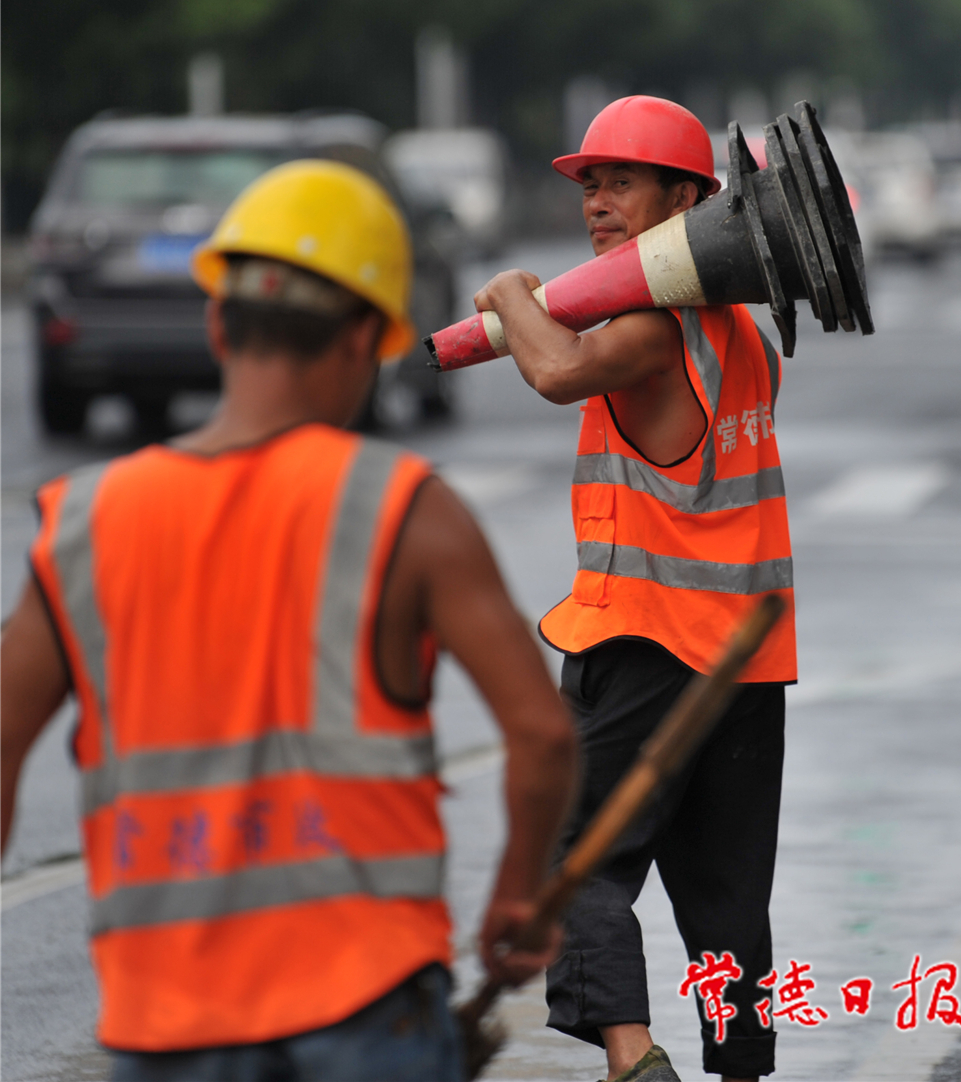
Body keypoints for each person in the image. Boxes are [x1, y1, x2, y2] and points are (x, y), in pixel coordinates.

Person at [1, 160, 577, 1082]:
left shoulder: (87, 520)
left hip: (165, 1019)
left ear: (217, 322)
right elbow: (543, 735)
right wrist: (520, 901)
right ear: (363, 341)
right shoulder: (403, 509)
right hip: (369, 1006)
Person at [471, 96, 797, 1082]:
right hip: (742, 655)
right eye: (590, 185)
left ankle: (630, 1055)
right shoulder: (742, 335)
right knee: (726, 891)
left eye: (620, 182)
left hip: (647, 644)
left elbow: (558, 371)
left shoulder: (649, 327)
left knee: (570, 857)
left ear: (688, 198)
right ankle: (739, 1067)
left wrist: (508, 291)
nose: (596, 202)